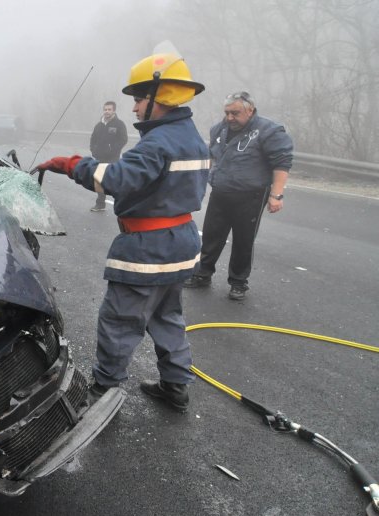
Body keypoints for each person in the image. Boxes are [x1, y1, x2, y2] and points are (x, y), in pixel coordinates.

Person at [37, 52, 209, 411]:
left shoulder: (158, 142)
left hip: (149, 249)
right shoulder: (191, 136)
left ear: (159, 97)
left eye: (139, 99)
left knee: (119, 321)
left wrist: (71, 165)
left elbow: (116, 179)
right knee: (167, 317)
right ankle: (176, 386)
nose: (133, 108)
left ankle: (103, 391)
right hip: (181, 244)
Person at [184, 91, 294, 301]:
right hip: (221, 191)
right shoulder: (219, 129)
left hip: (251, 195)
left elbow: (282, 163)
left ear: (250, 110)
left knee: (243, 240)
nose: (230, 118)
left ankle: (238, 282)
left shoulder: (268, 131)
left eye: (235, 113)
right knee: (211, 235)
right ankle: (203, 273)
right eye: (227, 113)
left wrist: (276, 195)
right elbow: (212, 157)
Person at [88, 101, 128, 211]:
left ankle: (122, 205)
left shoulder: (119, 124)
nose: (107, 111)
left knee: (114, 181)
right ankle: (100, 204)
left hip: (113, 158)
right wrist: (93, 150)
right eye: (105, 109)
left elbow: (124, 139)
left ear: (114, 110)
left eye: (109, 109)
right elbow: (93, 139)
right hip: (99, 157)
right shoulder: (99, 125)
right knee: (99, 181)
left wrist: (112, 149)